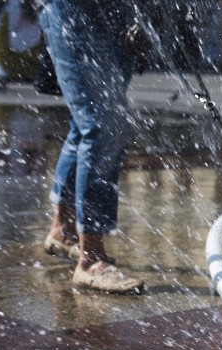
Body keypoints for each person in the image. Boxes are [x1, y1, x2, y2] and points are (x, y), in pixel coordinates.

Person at [38, 0, 144, 293]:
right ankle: (91, 260)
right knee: (102, 124)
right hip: (73, 8)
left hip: (119, 11)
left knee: (85, 122)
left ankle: (63, 230)